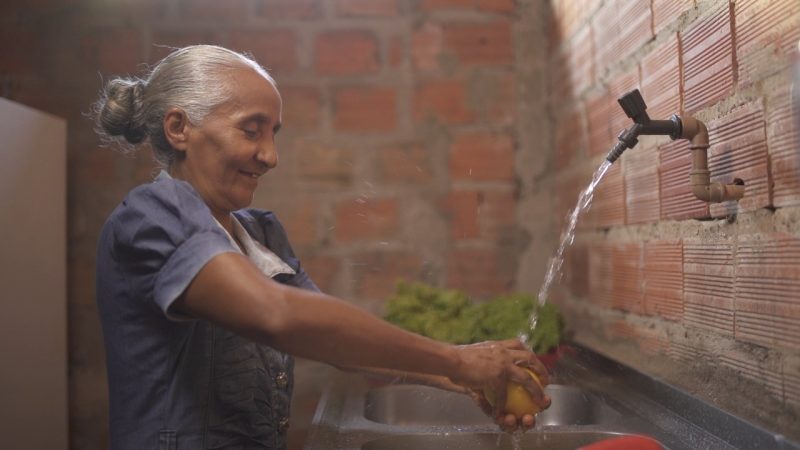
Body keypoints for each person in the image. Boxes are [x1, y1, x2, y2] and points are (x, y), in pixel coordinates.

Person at [92, 44, 549, 450]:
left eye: (274, 133)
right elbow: (279, 317)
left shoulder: (261, 233)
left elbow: (335, 342)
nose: (271, 156)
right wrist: (459, 360)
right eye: (251, 130)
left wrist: (462, 380)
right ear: (179, 128)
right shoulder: (152, 216)